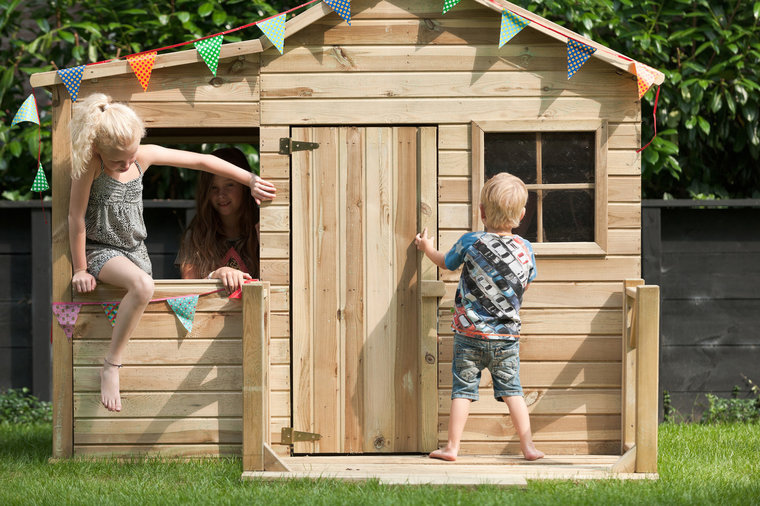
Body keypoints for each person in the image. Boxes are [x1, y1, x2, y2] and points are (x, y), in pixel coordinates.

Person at [68, 93, 276, 412]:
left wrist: (250, 180)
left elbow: (201, 161)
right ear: (97, 149)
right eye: (117, 161)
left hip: (135, 252)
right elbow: (76, 218)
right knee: (143, 286)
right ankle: (111, 365)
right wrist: (81, 268)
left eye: (130, 157)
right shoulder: (91, 167)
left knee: (149, 296)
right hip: (102, 249)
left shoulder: (142, 157)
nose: (126, 165)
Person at [414, 172, 544, 461]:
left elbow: (446, 263)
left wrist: (426, 248)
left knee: (463, 390)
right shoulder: (526, 249)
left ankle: (451, 447)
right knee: (513, 391)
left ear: (481, 212)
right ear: (521, 215)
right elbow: (527, 280)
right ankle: (529, 447)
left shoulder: (471, 241)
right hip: (506, 338)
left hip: (469, 334)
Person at [177, 147, 260, 294]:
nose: (221, 194)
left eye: (229, 185)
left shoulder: (262, 228)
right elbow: (187, 292)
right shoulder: (196, 235)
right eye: (213, 187)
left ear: (245, 187)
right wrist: (215, 275)